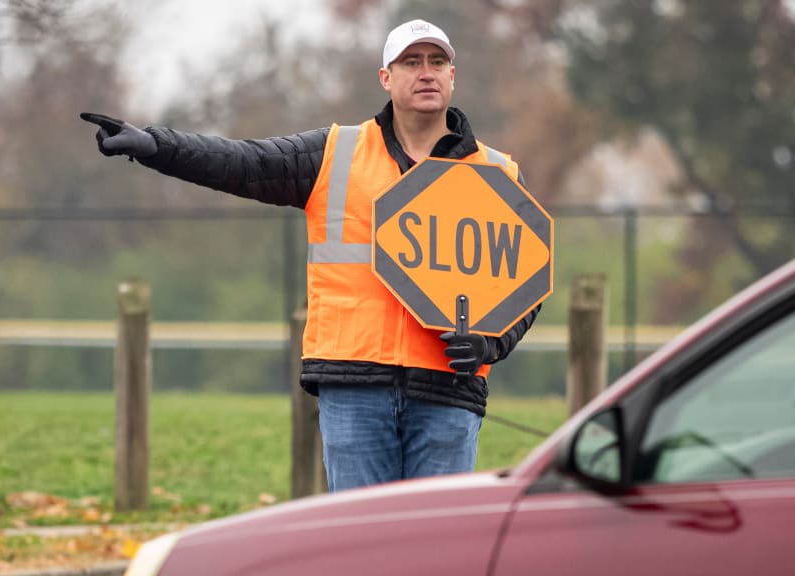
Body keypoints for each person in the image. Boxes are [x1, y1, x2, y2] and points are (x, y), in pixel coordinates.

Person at [85, 19, 540, 492]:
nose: (426, 72)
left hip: (447, 392)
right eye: (411, 62)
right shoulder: (336, 153)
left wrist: (491, 344)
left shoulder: (496, 172)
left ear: (452, 75)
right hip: (355, 389)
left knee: (440, 536)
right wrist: (156, 146)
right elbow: (244, 162)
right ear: (386, 78)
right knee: (360, 535)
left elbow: (529, 282)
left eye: (437, 61)